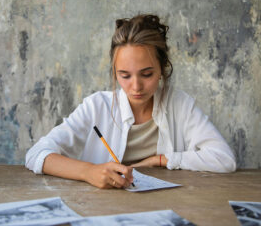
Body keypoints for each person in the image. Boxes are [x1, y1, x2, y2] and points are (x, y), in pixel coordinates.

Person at [25, 14, 236, 189]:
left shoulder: (179, 105)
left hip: (168, 206)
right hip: (103, 209)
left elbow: (224, 158)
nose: (136, 87)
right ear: (115, 73)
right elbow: (36, 154)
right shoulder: (96, 107)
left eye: (147, 74)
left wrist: (163, 160)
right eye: (125, 76)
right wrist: (89, 171)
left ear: (162, 69)